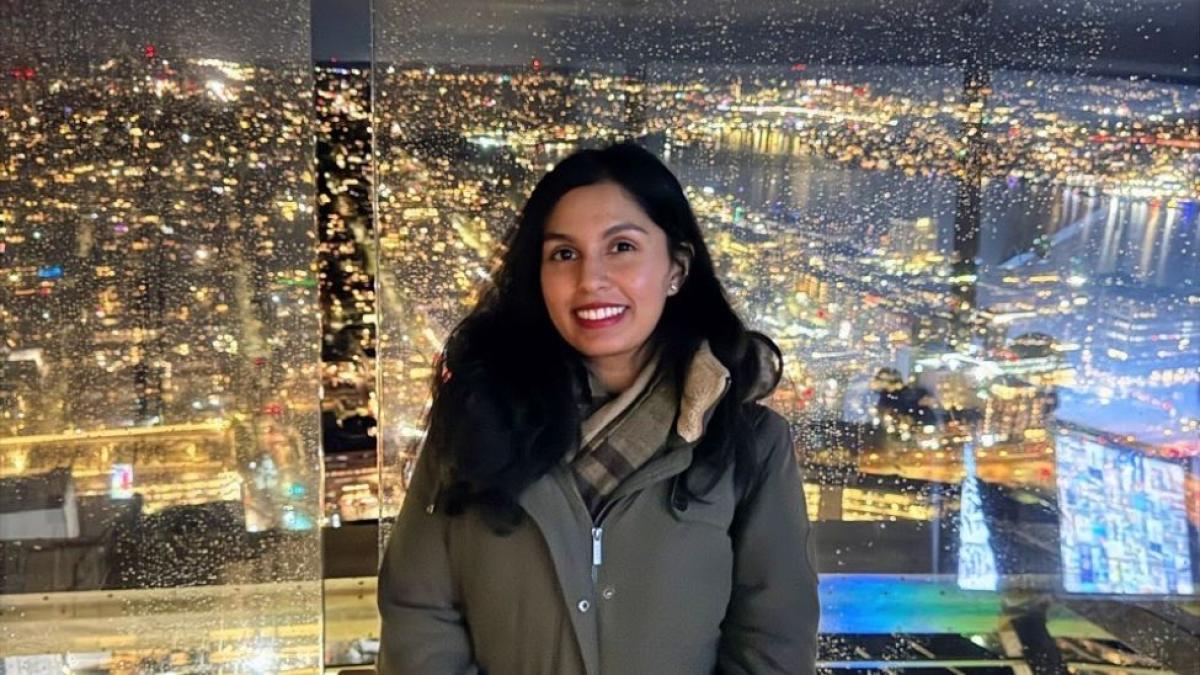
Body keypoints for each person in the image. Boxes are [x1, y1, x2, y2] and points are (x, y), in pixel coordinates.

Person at [377, 142, 819, 674]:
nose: (590, 280)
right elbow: (420, 613)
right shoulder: (477, 422)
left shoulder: (748, 443)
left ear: (676, 268)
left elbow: (772, 640)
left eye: (622, 247)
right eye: (564, 254)